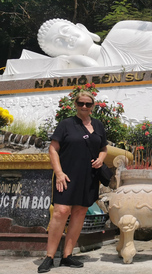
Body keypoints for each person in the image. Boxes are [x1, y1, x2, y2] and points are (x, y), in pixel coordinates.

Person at [37, 91, 107, 273]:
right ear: (75, 104)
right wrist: (58, 173)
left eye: (88, 104)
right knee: (61, 212)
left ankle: (68, 255)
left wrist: (101, 158)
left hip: (88, 177)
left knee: (79, 213)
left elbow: (104, 148)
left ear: (93, 106)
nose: (84, 106)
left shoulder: (98, 125)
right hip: (67, 175)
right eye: (81, 103)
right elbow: (53, 149)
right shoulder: (66, 124)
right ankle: (50, 257)